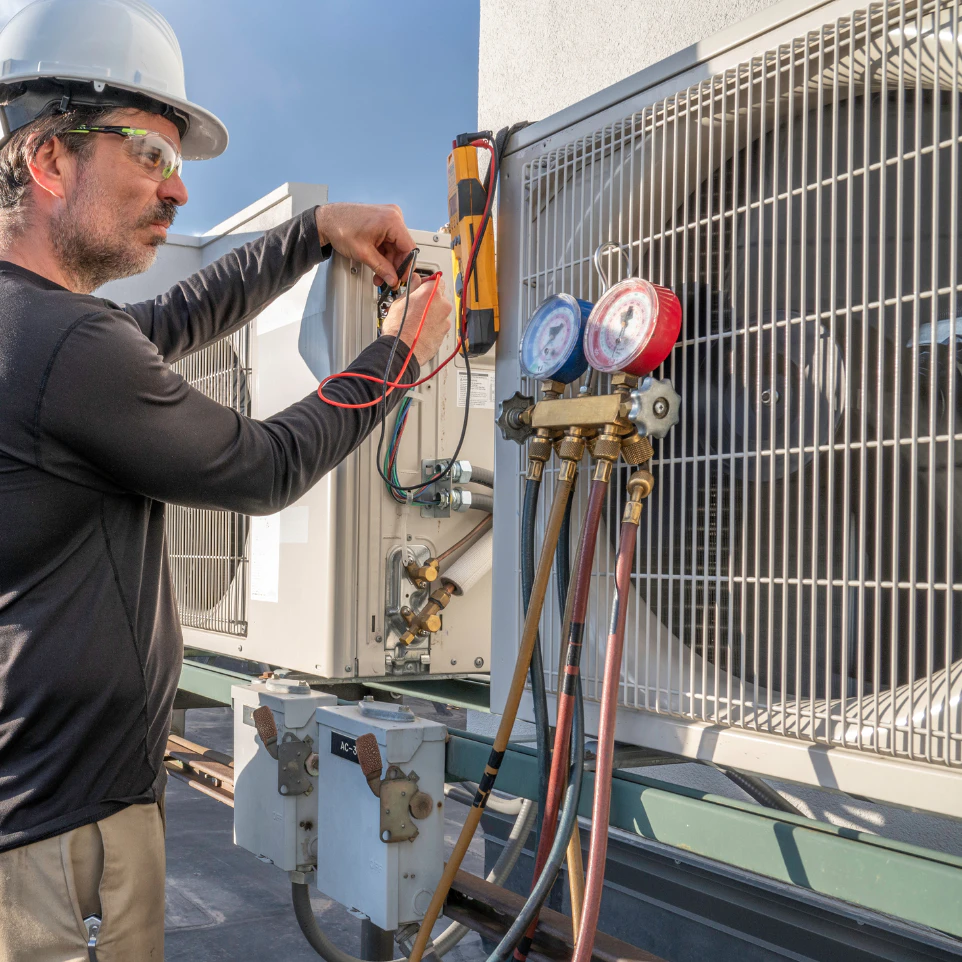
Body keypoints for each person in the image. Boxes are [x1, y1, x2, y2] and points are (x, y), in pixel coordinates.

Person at [0, 1, 452, 959]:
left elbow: (173, 317)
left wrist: (312, 232)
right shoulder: (62, 344)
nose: (177, 195)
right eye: (150, 157)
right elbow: (264, 465)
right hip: (64, 836)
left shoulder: (33, 333)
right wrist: (402, 352)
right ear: (49, 161)